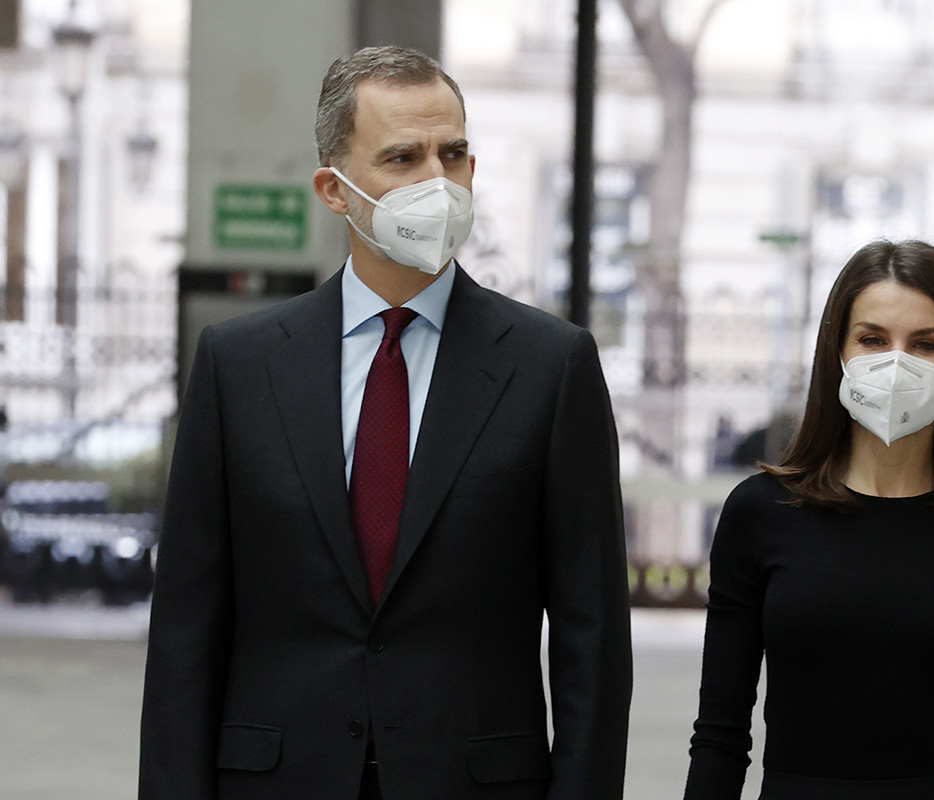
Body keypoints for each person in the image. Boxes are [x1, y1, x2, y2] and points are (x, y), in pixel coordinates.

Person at [140, 47, 632, 800]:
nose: (437, 181)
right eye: (402, 157)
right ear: (334, 191)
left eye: (454, 153)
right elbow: (185, 630)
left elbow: (591, 637)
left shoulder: (551, 367)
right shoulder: (238, 366)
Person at [683, 240, 934, 800]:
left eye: (925, 344)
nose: (896, 363)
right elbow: (719, 738)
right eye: (872, 340)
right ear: (837, 353)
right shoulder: (761, 513)